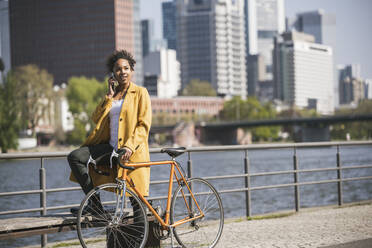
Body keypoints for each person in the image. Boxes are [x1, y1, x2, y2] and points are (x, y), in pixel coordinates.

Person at [67, 49, 152, 215]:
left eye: (126, 68)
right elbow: (95, 118)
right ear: (113, 73)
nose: (122, 72)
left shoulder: (140, 93)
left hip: (130, 151)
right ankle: (95, 205)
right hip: (110, 148)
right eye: (118, 69)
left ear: (132, 70)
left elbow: (143, 125)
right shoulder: (111, 96)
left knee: (137, 203)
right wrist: (108, 97)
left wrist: (129, 146)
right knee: (75, 157)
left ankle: (140, 238)